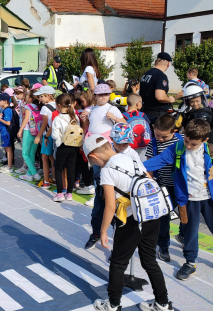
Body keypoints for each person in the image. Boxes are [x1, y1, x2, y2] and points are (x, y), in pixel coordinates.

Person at [85, 134, 174, 311]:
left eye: (93, 162)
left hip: (131, 220)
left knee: (118, 263)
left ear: (94, 156)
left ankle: (113, 304)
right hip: (151, 215)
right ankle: (163, 303)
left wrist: (103, 232)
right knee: (149, 260)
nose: (95, 165)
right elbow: (149, 179)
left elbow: (110, 206)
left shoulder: (107, 171)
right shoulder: (131, 158)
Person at [144, 119, 213, 281]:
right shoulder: (177, 148)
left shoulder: (212, 151)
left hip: (212, 199)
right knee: (190, 233)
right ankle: (190, 262)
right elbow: (157, 161)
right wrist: (133, 165)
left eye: (193, 144)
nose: (188, 146)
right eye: (186, 140)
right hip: (188, 201)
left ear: (205, 140)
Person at [85, 83, 126, 250]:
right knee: (99, 192)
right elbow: (89, 127)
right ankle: (96, 233)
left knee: (115, 196)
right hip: (96, 152)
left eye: (106, 94)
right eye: (100, 95)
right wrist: (85, 120)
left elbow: (124, 123)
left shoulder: (113, 108)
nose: (103, 97)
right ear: (95, 96)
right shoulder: (93, 109)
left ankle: (118, 240)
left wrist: (115, 118)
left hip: (108, 152)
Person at [146, 115, 183, 262]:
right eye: (157, 135)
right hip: (163, 186)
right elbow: (149, 165)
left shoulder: (181, 141)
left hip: (181, 185)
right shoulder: (153, 144)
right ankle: (163, 245)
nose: (160, 139)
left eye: (164, 136)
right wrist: (150, 184)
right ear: (154, 128)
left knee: (186, 214)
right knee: (164, 216)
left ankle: (184, 236)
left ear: (174, 131)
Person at [51, 93, 80, 202]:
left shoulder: (58, 119)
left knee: (59, 169)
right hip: (74, 146)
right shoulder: (75, 117)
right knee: (71, 170)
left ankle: (59, 193)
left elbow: (54, 135)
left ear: (59, 105)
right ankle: (69, 194)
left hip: (62, 146)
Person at [139, 52, 178, 124]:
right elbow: (160, 97)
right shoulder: (161, 76)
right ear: (168, 64)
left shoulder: (146, 74)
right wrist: (170, 99)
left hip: (144, 113)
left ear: (155, 62)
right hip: (156, 116)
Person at [34, 86, 57, 189]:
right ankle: (55, 179)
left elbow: (44, 124)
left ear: (48, 96)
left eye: (40, 96)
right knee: (53, 158)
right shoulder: (58, 104)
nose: (39, 99)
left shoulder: (45, 107)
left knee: (45, 158)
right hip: (57, 134)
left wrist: (39, 136)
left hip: (47, 135)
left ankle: (46, 181)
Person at [17, 90, 41, 182]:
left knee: (25, 153)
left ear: (30, 98)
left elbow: (26, 119)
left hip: (28, 131)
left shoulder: (28, 106)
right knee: (32, 153)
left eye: (27, 96)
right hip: (37, 131)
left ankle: (34, 173)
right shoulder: (38, 106)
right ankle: (29, 174)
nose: (26, 97)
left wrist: (20, 130)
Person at [0, 93, 14, 172]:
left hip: (6, 133)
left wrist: (0, 119)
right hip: (4, 132)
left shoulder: (7, 110)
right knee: (7, 149)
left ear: (5, 101)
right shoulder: (5, 109)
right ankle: (9, 165)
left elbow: (8, 123)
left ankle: (9, 166)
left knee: (8, 149)